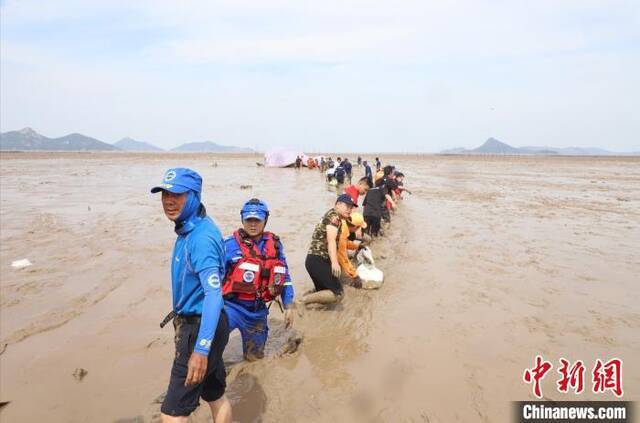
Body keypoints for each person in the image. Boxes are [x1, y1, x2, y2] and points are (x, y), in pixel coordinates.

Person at [151, 168, 232, 423]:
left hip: (199, 329)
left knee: (172, 415)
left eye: (177, 194)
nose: (168, 200)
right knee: (215, 396)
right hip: (211, 324)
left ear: (195, 196)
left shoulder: (201, 238)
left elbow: (213, 294)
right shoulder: (191, 227)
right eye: (164, 193)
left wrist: (200, 349)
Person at [222, 199, 295, 361]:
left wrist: (288, 305)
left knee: (254, 359)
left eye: (257, 220)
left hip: (257, 311)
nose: (253, 224)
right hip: (231, 308)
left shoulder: (275, 245)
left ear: (265, 221)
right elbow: (211, 278)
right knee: (210, 348)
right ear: (242, 220)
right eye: (249, 220)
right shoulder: (228, 245)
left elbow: (284, 275)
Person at [301, 194, 355, 306]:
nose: (349, 210)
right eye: (347, 206)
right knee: (338, 294)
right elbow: (331, 240)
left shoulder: (332, 215)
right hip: (318, 260)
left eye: (351, 207)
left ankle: (301, 304)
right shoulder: (335, 217)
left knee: (322, 292)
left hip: (314, 260)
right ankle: (302, 302)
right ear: (338, 204)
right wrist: (335, 263)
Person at [337, 212, 368, 288]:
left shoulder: (344, 223)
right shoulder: (343, 232)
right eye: (359, 227)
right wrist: (355, 276)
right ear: (355, 227)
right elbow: (342, 256)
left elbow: (345, 243)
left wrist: (357, 246)